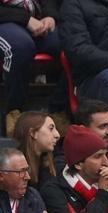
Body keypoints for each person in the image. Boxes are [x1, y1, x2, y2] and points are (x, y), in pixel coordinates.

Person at [0, 0, 66, 136]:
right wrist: (26, 19)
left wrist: (50, 16)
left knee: (71, 43)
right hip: (5, 21)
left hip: (35, 19)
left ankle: (58, 111)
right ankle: (13, 113)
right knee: (21, 47)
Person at [0, 148, 61, 213]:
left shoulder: (32, 195)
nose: (27, 177)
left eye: (27, 170)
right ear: (1, 176)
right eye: (21, 171)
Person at [13, 111, 60, 187]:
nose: (57, 135)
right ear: (33, 133)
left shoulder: (49, 166)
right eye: (51, 129)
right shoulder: (15, 168)